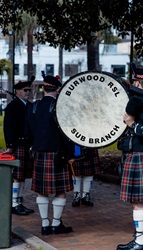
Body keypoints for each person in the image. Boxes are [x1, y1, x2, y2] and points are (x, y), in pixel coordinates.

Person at [117, 64, 143, 250]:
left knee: (139, 201)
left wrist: (133, 124)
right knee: (138, 201)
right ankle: (139, 240)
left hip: (140, 153)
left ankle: (140, 243)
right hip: (137, 153)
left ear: (138, 83)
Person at [26, 74, 74, 235]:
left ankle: (44, 224)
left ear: (43, 88)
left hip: (39, 153)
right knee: (60, 190)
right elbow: (66, 134)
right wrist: (71, 154)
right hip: (57, 153)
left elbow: (29, 131)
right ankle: (56, 224)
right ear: (58, 89)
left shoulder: (33, 106)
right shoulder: (60, 107)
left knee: (42, 191)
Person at [3, 77, 35, 216]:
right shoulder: (13, 106)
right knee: (17, 176)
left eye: (29, 90)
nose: (28, 92)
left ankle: (18, 202)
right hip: (17, 145)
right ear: (17, 92)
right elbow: (8, 127)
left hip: (27, 145)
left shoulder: (28, 105)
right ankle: (14, 204)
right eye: (25, 90)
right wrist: (10, 145)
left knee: (22, 177)